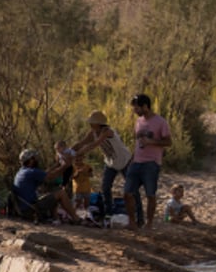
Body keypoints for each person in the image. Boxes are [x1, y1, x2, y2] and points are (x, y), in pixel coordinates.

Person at [71, 110, 137, 225]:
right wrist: (70, 151)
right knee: (105, 187)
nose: (90, 124)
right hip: (111, 163)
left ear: (99, 123)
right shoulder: (92, 132)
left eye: (92, 122)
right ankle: (108, 213)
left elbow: (94, 144)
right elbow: (82, 142)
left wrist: (78, 153)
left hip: (125, 161)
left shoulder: (107, 131)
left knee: (132, 189)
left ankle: (138, 215)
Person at [124, 93, 171, 230]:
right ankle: (132, 222)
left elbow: (168, 141)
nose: (135, 111)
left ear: (145, 106)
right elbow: (137, 142)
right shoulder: (139, 121)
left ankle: (149, 224)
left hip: (151, 162)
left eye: (137, 108)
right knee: (127, 193)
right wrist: (132, 159)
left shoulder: (160, 122)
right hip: (136, 161)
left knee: (150, 194)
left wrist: (151, 141)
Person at [13, 148, 79, 223]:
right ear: (31, 160)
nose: (37, 160)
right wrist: (65, 166)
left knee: (51, 194)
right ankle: (76, 219)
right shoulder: (31, 172)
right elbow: (51, 176)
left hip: (24, 208)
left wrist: (57, 164)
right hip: (30, 210)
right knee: (61, 193)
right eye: (35, 158)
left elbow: (44, 173)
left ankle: (56, 218)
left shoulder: (23, 171)